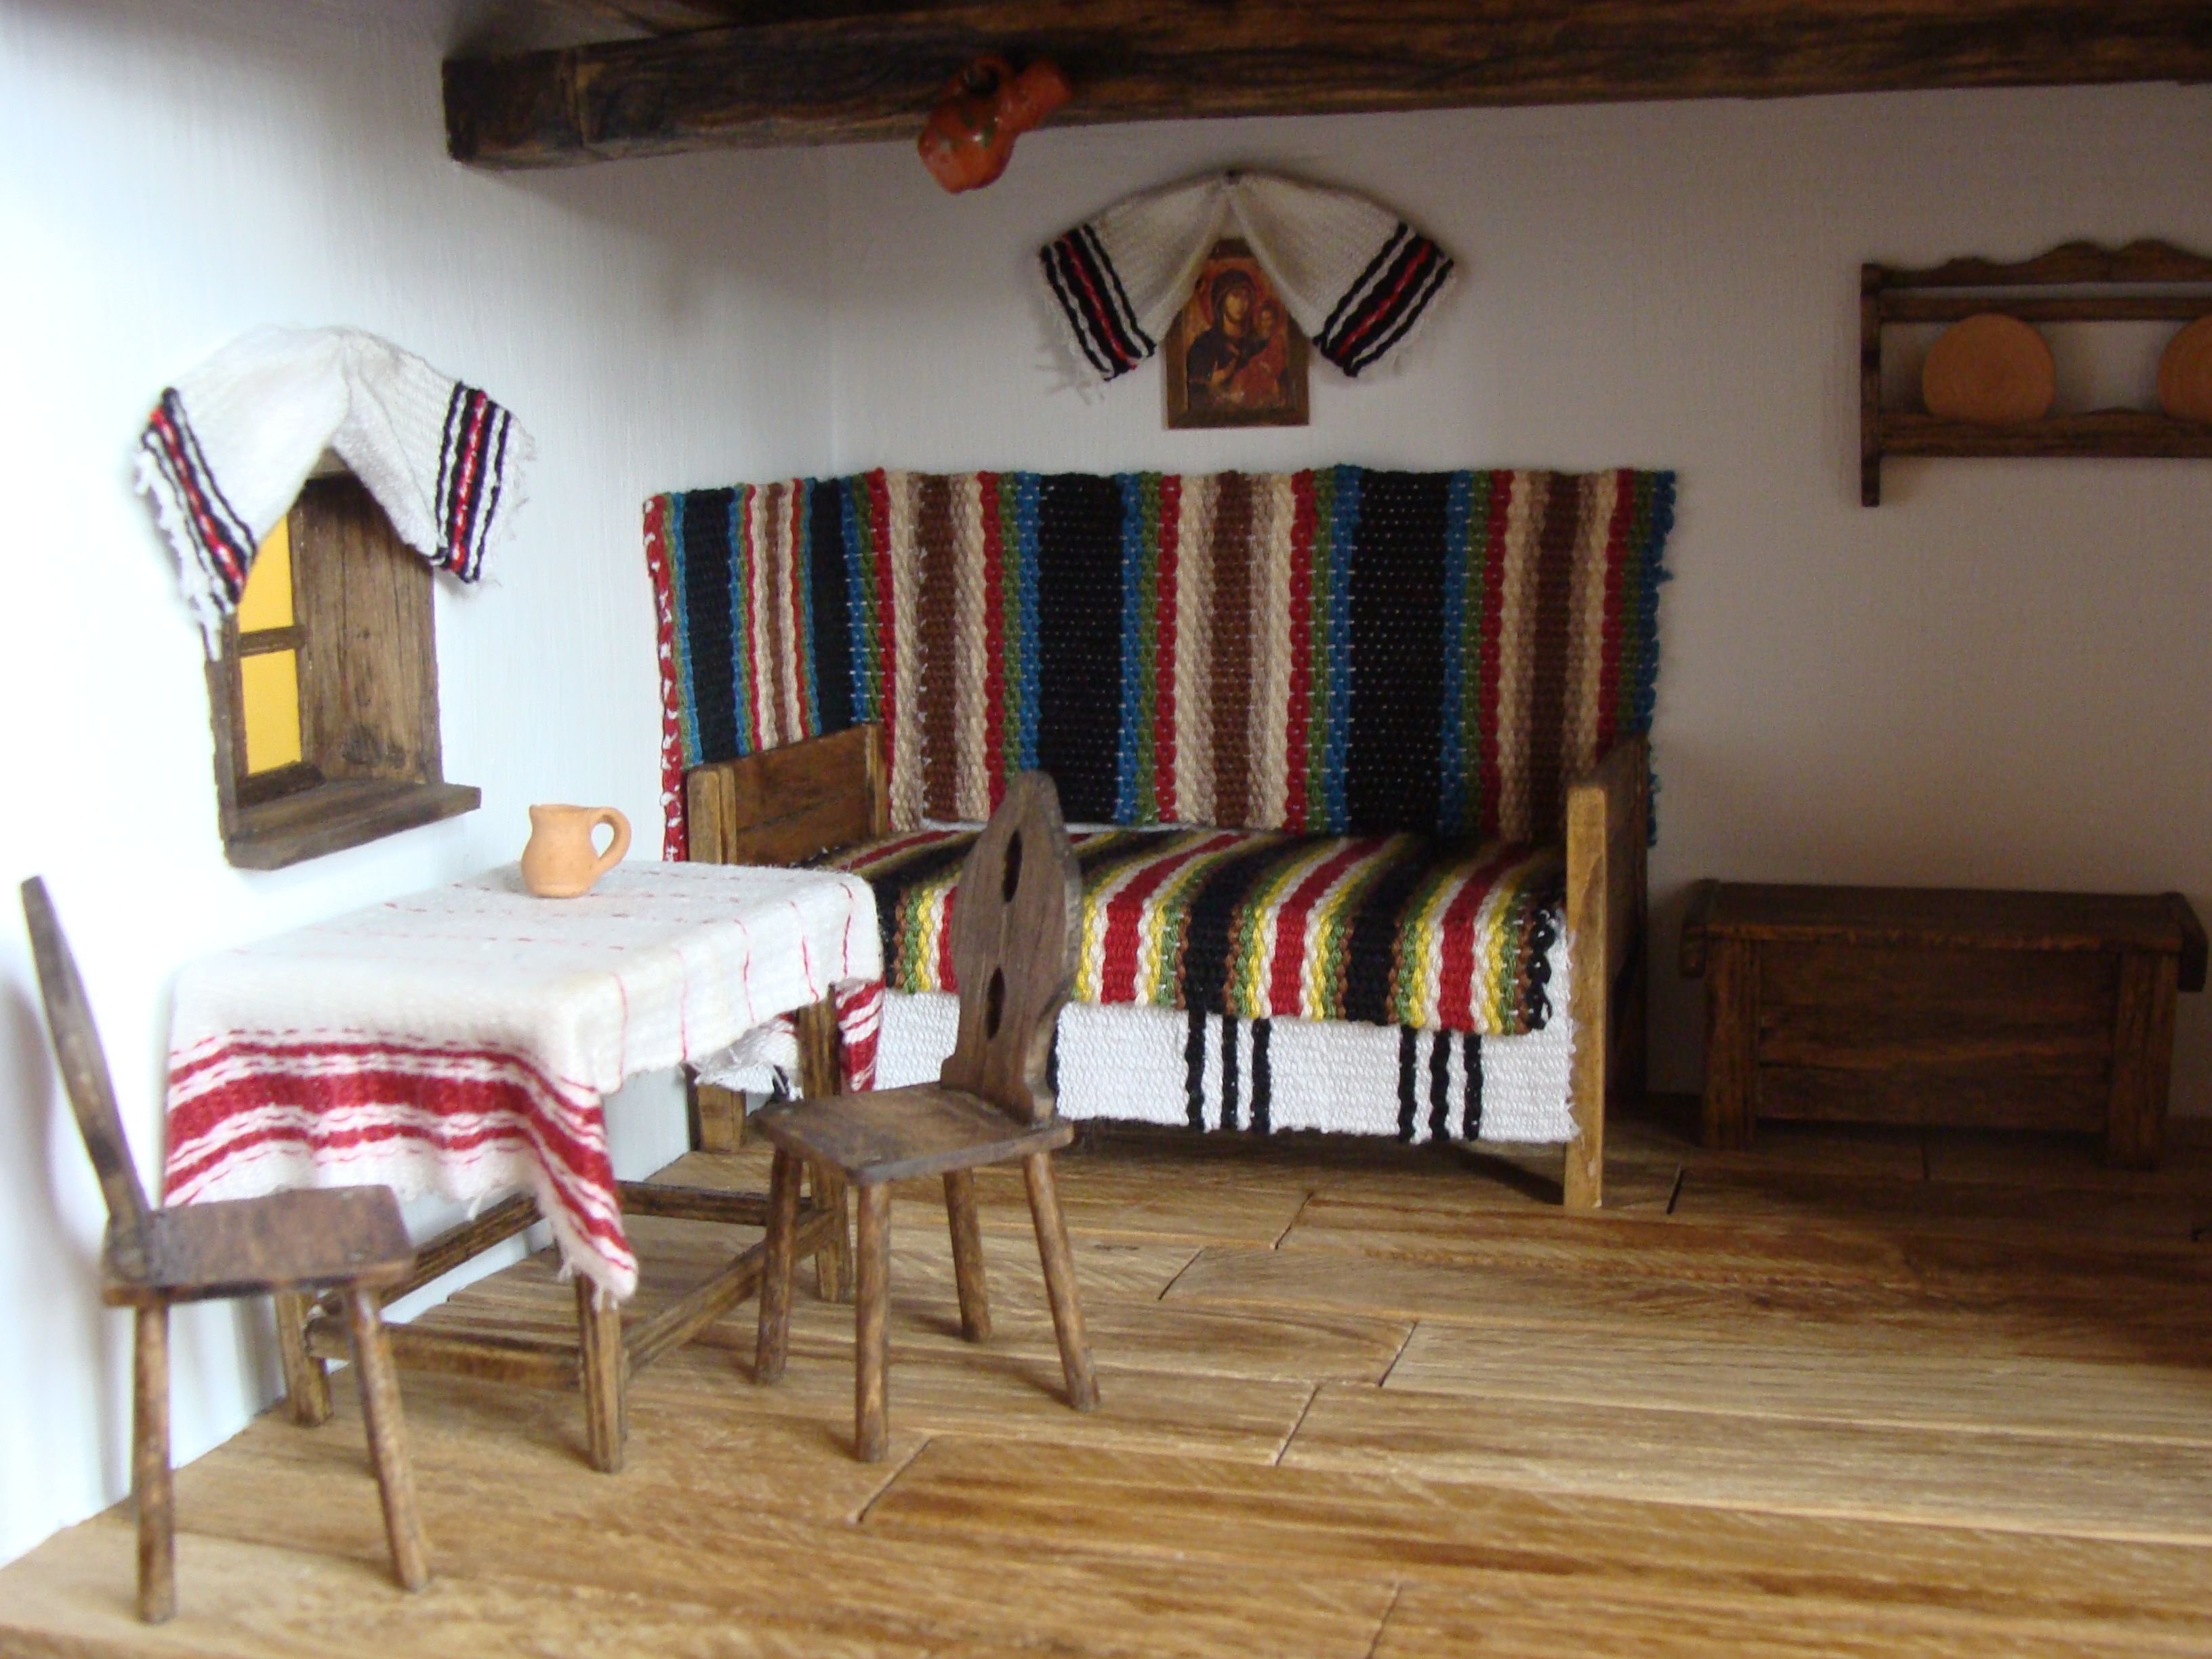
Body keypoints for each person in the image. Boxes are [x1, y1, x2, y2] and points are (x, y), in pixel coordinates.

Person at [1185, 268, 1281, 408]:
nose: (1241, 303)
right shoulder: (1203, 346)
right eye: (1235, 296)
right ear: (1221, 300)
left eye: (1246, 297)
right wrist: (1211, 382)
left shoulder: (1258, 343)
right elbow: (1192, 395)